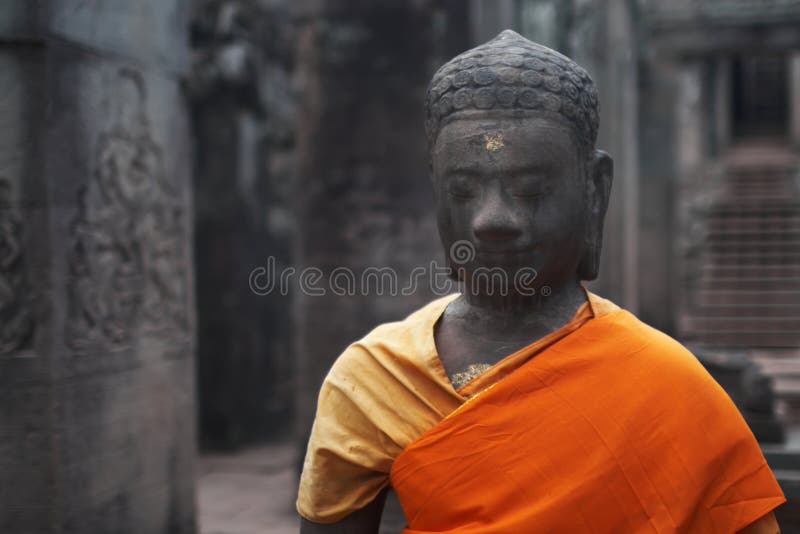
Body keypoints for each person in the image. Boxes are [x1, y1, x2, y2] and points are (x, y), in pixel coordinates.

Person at [296, 30, 785, 533]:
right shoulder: (375, 379)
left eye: (531, 190)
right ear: (435, 190)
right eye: (463, 190)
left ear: (594, 191)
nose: (492, 219)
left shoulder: (668, 386)